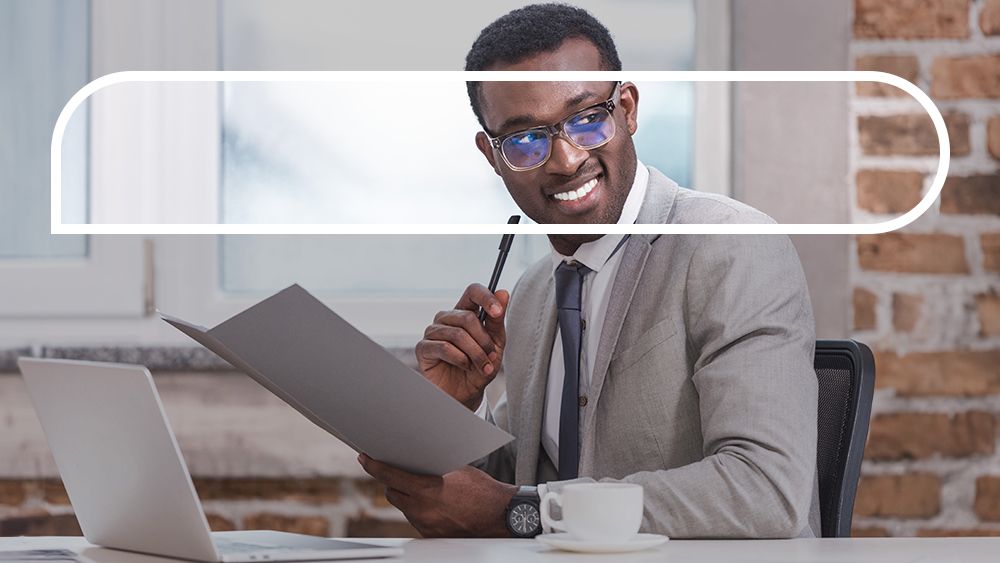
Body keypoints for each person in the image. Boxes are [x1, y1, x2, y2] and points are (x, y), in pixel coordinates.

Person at [359, 3, 819, 539]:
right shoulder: (532, 295)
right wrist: (455, 417)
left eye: (586, 119)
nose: (565, 159)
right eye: (525, 139)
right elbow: (516, 487)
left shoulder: (730, 248)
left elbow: (764, 490)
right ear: (491, 155)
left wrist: (520, 512)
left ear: (627, 108)